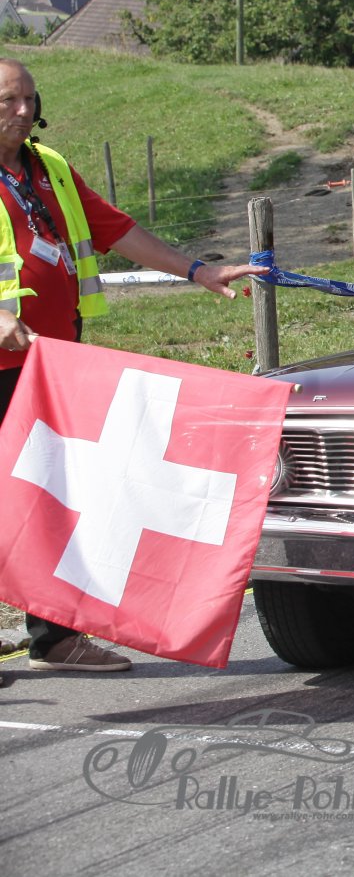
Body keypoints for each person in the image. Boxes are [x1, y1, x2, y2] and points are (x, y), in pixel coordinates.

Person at [0, 58, 266, 671]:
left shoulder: (50, 168)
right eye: (9, 101)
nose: (24, 111)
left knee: (54, 500)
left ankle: (54, 638)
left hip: (53, 367)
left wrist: (197, 270)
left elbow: (116, 229)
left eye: (30, 100)